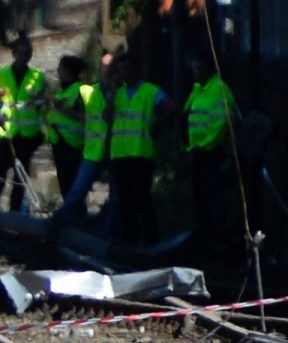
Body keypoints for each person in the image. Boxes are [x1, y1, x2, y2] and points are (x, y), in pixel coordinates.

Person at [99, 51, 170, 245]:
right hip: (120, 153)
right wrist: (113, 92)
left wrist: (157, 124)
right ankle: (129, 241)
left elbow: (170, 108)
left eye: (129, 68)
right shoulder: (117, 94)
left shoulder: (150, 90)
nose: (125, 73)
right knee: (124, 201)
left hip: (141, 152)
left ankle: (150, 240)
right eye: (121, 69)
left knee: (142, 198)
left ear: (137, 70)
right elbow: (106, 117)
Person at [0, 36, 47, 212]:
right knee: (0, 169)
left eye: (27, 53)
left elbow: (44, 100)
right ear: (13, 53)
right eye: (20, 53)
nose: (23, 57)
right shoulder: (0, 75)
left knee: (21, 173)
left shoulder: (38, 76)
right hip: (7, 131)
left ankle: (15, 207)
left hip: (27, 134)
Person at [182, 54, 240, 241]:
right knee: (200, 196)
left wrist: (205, 146)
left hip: (213, 153)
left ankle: (218, 237)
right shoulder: (198, 88)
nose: (195, 73)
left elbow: (222, 123)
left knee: (214, 196)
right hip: (197, 152)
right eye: (194, 69)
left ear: (209, 70)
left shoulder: (219, 90)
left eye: (199, 69)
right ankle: (205, 233)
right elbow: (187, 114)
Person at [44, 55, 104, 201]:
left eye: (60, 68)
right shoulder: (63, 91)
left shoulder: (81, 90)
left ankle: (77, 218)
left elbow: (88, 118)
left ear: (68, 71)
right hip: (60, 144)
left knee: (73, 186)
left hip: (72, 146)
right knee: (65, 185)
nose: (58, 72)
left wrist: (63, 110)